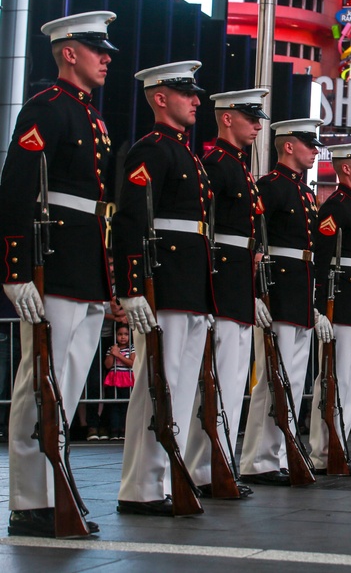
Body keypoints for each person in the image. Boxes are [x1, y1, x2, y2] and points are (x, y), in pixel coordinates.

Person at [1, 11, 117, 537]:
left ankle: (55, 486)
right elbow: (17, 190)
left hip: (84, 263)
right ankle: (30, 499)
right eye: (97, 49)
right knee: (38, 382)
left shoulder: (93, 118)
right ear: (69, 52)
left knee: (66, 385)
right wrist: (15, 268)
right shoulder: (45, 109)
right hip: (52, 263)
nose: (106, 57)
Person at [114, 61, 216, 515]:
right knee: (156, 385)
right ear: (160, 98)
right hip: (166, 285)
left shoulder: (184, 153)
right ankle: (141, 486)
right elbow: (132, 220)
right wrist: (132, 287)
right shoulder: (152, 150)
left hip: (189, 285)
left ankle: (162, 480)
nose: (196, 101)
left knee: (178, 386)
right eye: (186, 93)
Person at [188, 88, 270, 498]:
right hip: (221, 282)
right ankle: (203, 467)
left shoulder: (239, 167)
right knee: (216, 380)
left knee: (234, 380)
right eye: (250, 117)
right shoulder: (215, 165)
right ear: (226, 118)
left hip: (238, 284)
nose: (257, 125)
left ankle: (217, 464)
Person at [241, 119, 331, 486]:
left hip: (298, 291)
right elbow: (255, 240)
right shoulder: (271, 187)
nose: (315, 150)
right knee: (271, 379)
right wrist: (254, 291)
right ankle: (258, 459)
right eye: (309, 143)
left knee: (292, 379)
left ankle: (278, 453)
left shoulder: (305, 193)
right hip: (276, 290)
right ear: (289, 146)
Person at [307, 142, 351, 477]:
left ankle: (337, 448)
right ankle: (323, 451)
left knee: (350, 381)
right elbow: (322, 259)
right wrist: (320, 307)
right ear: (345, 168)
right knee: (333, 378)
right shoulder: (335, 206)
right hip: (339, 302)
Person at [103, 324, 134, 441]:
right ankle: (114, 431)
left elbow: (131, 363)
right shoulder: (112, 349)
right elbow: (107, 365)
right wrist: (113, 353)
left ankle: (124, 430)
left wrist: (118, 355)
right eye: (120, 334)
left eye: (125, 334)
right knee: (114, 406)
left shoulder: (132, 348)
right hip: (114, 379)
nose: (123, 337)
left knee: (126, 405)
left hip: (126, 378)